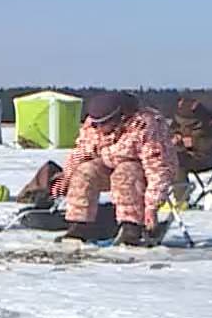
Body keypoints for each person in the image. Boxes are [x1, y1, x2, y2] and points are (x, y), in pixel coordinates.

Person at [50, 92, 177, 245]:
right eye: (95, 124)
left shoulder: (147, 126)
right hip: (109, 163)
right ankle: (79, 226)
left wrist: (151, 208)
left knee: (125, 172)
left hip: (144, 171)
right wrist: (66, 179)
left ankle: (132, 227)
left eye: (102, 123)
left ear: (119, 118)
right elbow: (80, 152)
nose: (98, 128)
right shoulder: (93, 125)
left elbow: (159, 169)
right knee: (85, 171)